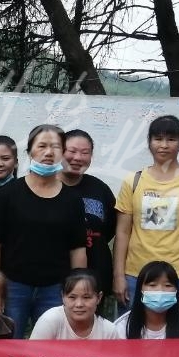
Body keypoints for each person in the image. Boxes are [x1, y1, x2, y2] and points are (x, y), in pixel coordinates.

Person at [0, 124, 87, 336]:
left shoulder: (72, 200)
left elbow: (78, 249)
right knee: (8, 343)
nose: (48, 153)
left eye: (55, 147)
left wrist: (77, 288)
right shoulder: (8, 194)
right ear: (30, 151)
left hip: (55, 288)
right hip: (13, 286)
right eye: (42, 146)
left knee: (50, 348)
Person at [113, 114, 179, 311]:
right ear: (149, 142)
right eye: (158, 139)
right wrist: (118, 276)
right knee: (131, 329)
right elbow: (122, 232)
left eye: (171, 139)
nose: (164, 145)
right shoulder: (133, 181)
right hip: (136, 275)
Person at [60, 129, 117, 301]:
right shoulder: (46, 187)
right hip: (55, 275)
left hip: (96, 275)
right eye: (72, 151)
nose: (78, 158)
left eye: (85, 153)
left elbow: (111, 228)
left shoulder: (100, 189)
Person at [114, 260, 179, 339]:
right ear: (140, 290)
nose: (160, 290)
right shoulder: (124, 324)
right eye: (152, 285)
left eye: (168, 285)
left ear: (176, 290)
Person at [29, 269, 121, 340]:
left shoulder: (109, 331)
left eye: (86, 297)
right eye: (72, 297)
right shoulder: (49, 321)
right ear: (62, 296)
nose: (79, 304)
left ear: (99, 298)